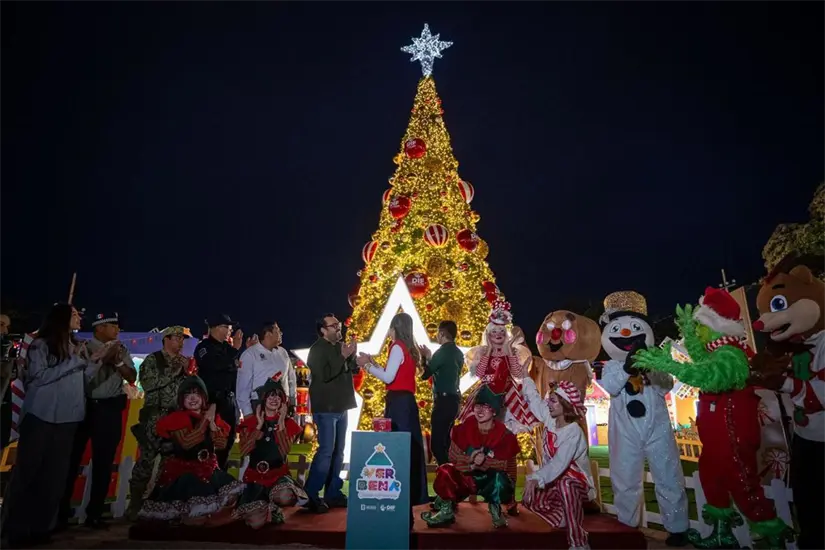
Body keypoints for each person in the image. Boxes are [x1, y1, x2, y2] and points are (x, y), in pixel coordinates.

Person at [4, 304, 115, 548]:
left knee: (55, 478)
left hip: (68, 418)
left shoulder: (77, 347)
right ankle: (16, 528)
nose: (79, 318)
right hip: (41, 416)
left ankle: (43, 527)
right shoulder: (41, 345)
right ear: (62, 318)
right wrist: (75, 362)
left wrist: (94, 361)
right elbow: (38, 376)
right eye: (75, 314)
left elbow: (83, 378)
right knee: (29, 474)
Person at [598, 292, 688, 546]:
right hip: (624, 428)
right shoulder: (612, 365)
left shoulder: (657, 359)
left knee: (668, 474)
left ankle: (677, 527)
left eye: (634, 328)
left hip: (656, 425)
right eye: (618, 329)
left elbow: (666, 386)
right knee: (624, 477)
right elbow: (610, 387)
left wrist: (652, 366)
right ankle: (628, 526)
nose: (626, 335)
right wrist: (627, 367)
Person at [58, 311, 136, 530]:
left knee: (104, 463)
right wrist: (101, 360)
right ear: (99, 328)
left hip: (110, 408)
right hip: (84, 407)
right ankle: (61, 512)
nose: (117, 330)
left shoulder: (121, 349)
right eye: (112, 326)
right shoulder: (82, 347)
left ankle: (95, 513)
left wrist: (118, 362)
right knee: (72, 461)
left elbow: (132, 377)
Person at [138, 376, 244, 524]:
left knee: (232, 497)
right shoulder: (177, 418)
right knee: (198, 516)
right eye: (188, 395)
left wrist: (212, 424)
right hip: (185, 474)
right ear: (182, 399)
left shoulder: (211, 417)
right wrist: (205, 421)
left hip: (209, 470)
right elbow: (187, 443)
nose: (193, 398)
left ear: (203, 397)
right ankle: (185, 518)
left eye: (197, 394)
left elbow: (220, 445)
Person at [358, 313, 429, 525]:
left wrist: (367, 366)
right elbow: (393, 375)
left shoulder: (397, 346)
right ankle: (405, 508)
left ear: (394, 328)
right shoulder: (406, 348)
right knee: (406, 452)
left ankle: (402, 511)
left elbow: (389, 378)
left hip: (399, 405)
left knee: (399, 454)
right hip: (404, 403)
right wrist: (372, 363)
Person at [421, 385, 520, 528]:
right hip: (466, 478)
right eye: (477, 406)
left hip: (490, 482)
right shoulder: (462, 430)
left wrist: (485, 462)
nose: (479, 410)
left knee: (501, 479)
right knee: (445, 470)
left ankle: (495, 509)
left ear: (494, 412)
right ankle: (446, 511)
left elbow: (508, 467)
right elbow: (453, 457)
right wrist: (471, 461)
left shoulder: (506, 436)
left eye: (486, 407)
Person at [521, 377, 596, 550]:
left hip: (578, 485)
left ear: (565, 404)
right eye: (549, 400)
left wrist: (536, 477)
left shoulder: (573, 432)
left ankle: (579, 542)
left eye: (553, 401)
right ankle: (564, 512)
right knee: (530, 498)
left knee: (565, 484)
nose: (548, 404)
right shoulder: (550, 418)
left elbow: (559, 463)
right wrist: (525, 377)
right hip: (555, 482)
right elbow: (534, 400)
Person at [127, 325, 191, 520]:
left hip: (175, 419)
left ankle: (160, 504)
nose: (181, 343)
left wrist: (187, 373)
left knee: (169, 465)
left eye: (182, 339)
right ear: (167, 339)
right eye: (177, 338)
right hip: (154, 418)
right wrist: (175, 370)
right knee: (145, 463)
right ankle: (135, 505)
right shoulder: (153, 360)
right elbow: (148, 384)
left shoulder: (184, 362)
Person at [303, 313, 357, 513]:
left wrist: (352, 357)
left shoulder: (338, 347)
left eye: (339, 324)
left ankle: (333, 492)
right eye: (333, 326)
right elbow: (324, 375)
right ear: (323, 330)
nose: (338, 328)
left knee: (338, 452)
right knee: (326, 451)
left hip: (341, 407)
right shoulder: (317, 350)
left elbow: (349, 370)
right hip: (326, 408)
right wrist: (343, 356)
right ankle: (311, 493)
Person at [234, 378, 306, 528]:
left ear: (283, 402)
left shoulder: (289, 424)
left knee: (285, 496)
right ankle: (265, 508)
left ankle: (275, 506)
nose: (275, 399)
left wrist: (280, 423)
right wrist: (259, 427)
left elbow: (284, 451)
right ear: (264, 399)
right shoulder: (251, 422)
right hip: (255, 478)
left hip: (277, 476)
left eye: (279, 396)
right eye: (271, 395)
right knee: (255, 524)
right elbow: (244, 451)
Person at [194, 314, 243, 470]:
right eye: (226, 327)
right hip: (211, 402)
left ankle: (220, 478)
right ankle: (206, 480)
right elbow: (214, 365)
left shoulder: (227, 348)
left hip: (229, 402)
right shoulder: (204, 347)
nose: (230, 330)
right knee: (209, 442)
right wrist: (234, 351)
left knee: (227, 442)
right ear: (215, 327)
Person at [419, 321, 463, 466]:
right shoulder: (458, 353)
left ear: (442, 334)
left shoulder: (442, 352)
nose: (436, 335)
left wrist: (425, 357)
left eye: (438, 332)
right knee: (446, 442)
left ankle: (448, 477)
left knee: (436, 445)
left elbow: (425, 374)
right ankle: (452, 474)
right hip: (454, 401)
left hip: (443, 402)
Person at [237, 322, 291, 418]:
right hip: (258, 404)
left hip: (280, 405)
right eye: (278, 330)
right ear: (268, 333)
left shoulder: (283, 353)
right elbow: (243, 387)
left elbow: (288, 379)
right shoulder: (250, 354)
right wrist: (247, 412)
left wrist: (289, 402)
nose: (281, 333)